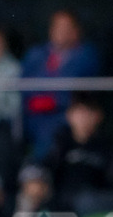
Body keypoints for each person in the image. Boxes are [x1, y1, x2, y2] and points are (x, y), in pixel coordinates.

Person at [20, 10, 101, 160]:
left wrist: (52, 100)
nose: (61, 31)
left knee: (52, 138)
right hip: (34, 117)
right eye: (57, 27)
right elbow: (25, 86)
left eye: (66, 27)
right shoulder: (35, 54)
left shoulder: (86, 54)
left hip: (64, 114)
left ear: (76, 31)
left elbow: (74, 87)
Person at [44, 92, 113, 216]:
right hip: (63, 201)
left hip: (96, 200)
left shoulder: (108, 147)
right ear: (69, 115)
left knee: (86, 201)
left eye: (88, 112)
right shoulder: (60, 144)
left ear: (98, 116)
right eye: (79, 112)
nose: (83, 118)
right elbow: (47, 170)